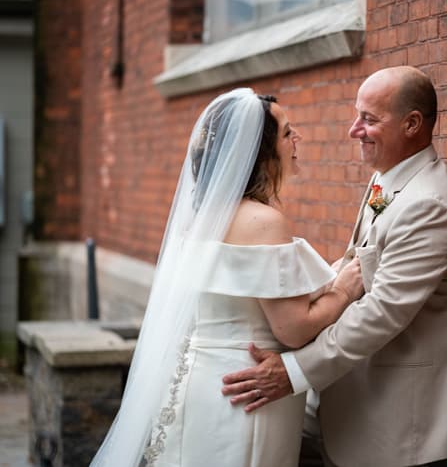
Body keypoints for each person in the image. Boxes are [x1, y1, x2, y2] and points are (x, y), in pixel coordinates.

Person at [222, 66, 447, 466]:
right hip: (351, 406)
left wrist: (293, 372)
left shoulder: (429, 205)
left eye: (369, 119)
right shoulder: (387, 181)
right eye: (357, 114)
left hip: (394, 424)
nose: (353, 130)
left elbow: (382, 312)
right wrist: (300, 304)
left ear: (412, 124)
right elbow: (356, 262)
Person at [90, 88, 364, 467]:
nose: (296, 139)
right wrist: (345, 291)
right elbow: (293, 329)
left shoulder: (200, 219)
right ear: (259, 151)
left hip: (197, 382)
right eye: (287, 132)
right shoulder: (264, 222)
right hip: (246, 392)